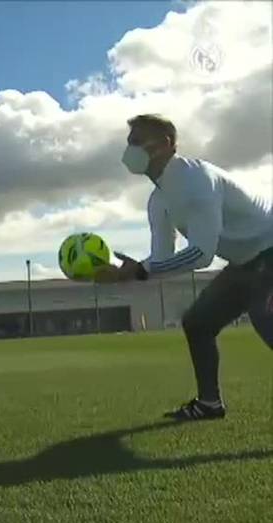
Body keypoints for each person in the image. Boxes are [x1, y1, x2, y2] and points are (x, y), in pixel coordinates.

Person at [96, 113, 273, 421]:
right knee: (198, 322)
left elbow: (201, 255)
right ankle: (209, 404)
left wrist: (140, 270)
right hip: (245, 261)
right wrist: (130, 272)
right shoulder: (158, 200)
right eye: (128, 142)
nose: (128, 150)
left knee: (266, 319)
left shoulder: (196, 180)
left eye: (136, 141)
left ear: (164, 145)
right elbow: (162, 257)